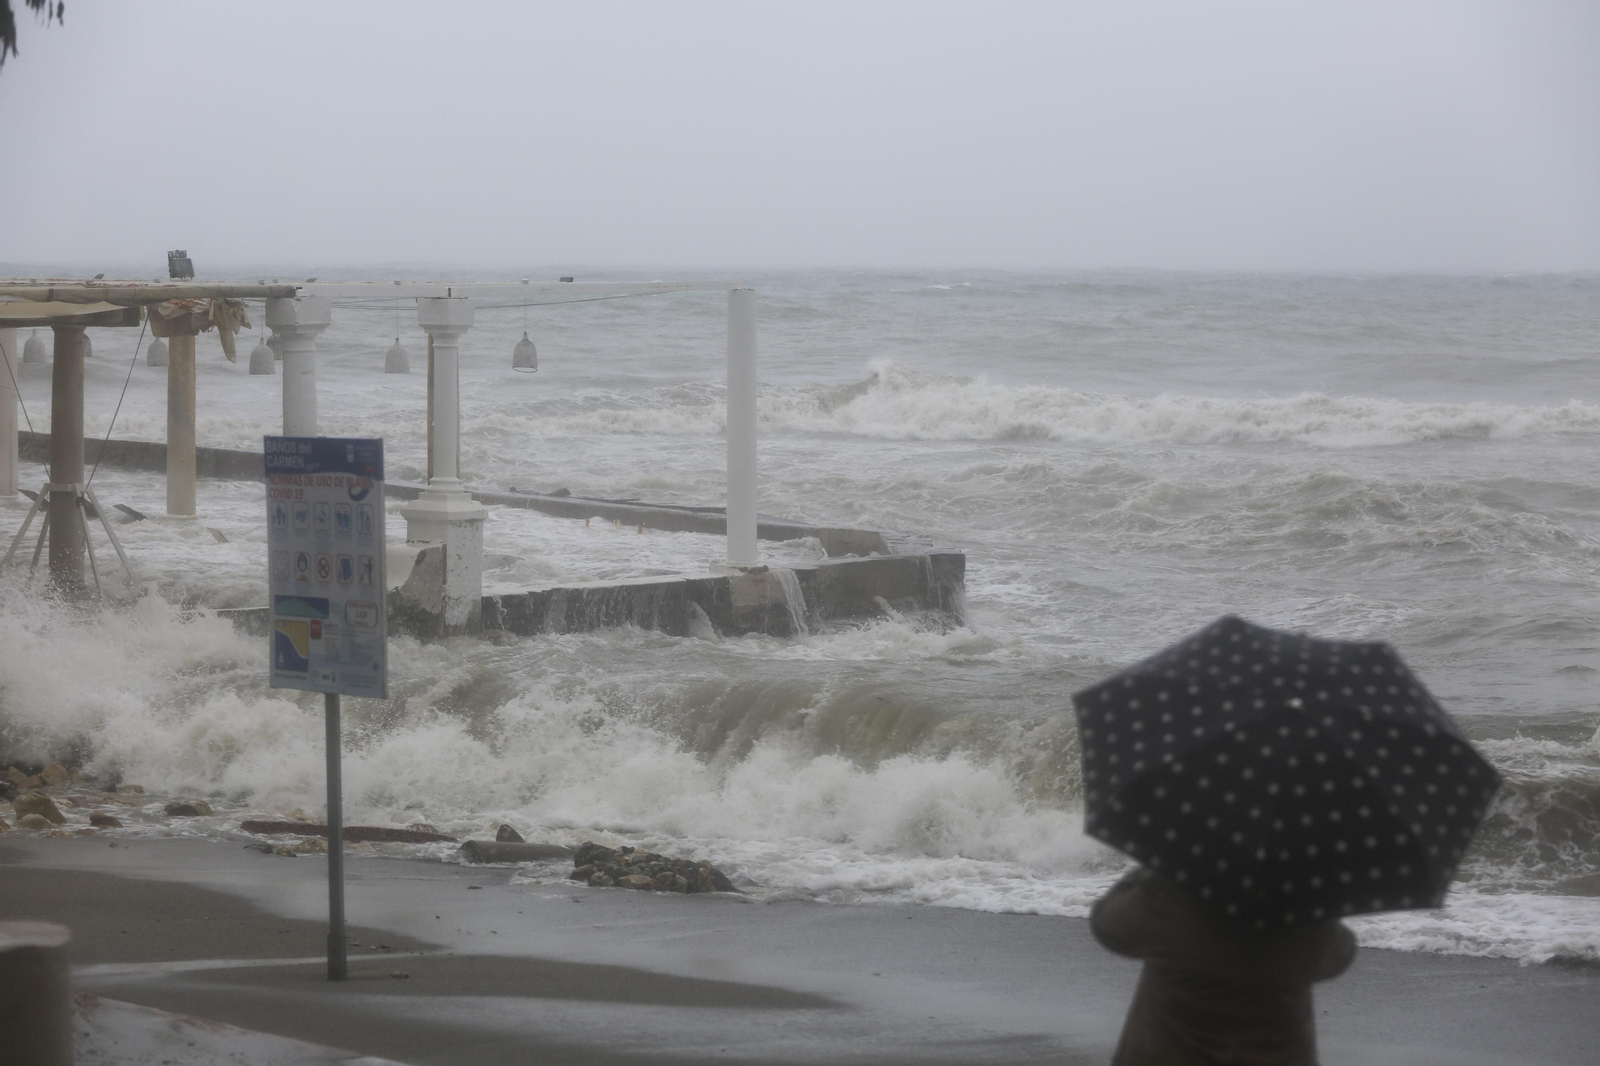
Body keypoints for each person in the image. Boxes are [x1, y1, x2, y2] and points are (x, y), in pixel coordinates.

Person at [1090, 866, 1356, 1065]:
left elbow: (1107, 924)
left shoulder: (1174, 892)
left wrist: (1149, 871)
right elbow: (1340, 953)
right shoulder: (1298, 903)